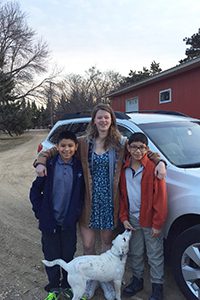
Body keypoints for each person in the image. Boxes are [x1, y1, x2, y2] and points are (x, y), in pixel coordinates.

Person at [34, 103, 166, 300]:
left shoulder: (120, 143)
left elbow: (144, 150)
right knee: (88, 245)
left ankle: (105, 283)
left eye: (107, 117)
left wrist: (160, 162)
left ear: (111, 120)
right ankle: (89, 283)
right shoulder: (83, 142)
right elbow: (53, 150)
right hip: (88, 201)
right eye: (99, 117)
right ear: (94, 120)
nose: (103, 120)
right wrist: (40, 161)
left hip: (109, 202)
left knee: (106, 245)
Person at [30, 130, 85, 300]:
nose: (66, 149)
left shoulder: (79, 168)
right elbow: (34, 191)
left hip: (68, 221)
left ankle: (67, 286)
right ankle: (53, 287)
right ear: (57, 147)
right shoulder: (49, 166)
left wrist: (76, 214)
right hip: (50, 222)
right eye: (63, 146)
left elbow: (82, 195)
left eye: (70, 146)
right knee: (51, 256)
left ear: (76, 147)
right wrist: (40, 212)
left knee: (68, 255)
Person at [119, 132, 167, 300]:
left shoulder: (153, 169)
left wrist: (157, 223)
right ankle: (137, 280)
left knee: (154, 254)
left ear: (147, 149)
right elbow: (122, 196)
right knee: (136, 252)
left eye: (141, 147)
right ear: (128, 147)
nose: (137, 151)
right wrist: (124, 217)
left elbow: (160, 199)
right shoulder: (124, 168)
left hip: (150, 219)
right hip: (132, 219)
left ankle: (157, 286)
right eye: (134, 147)